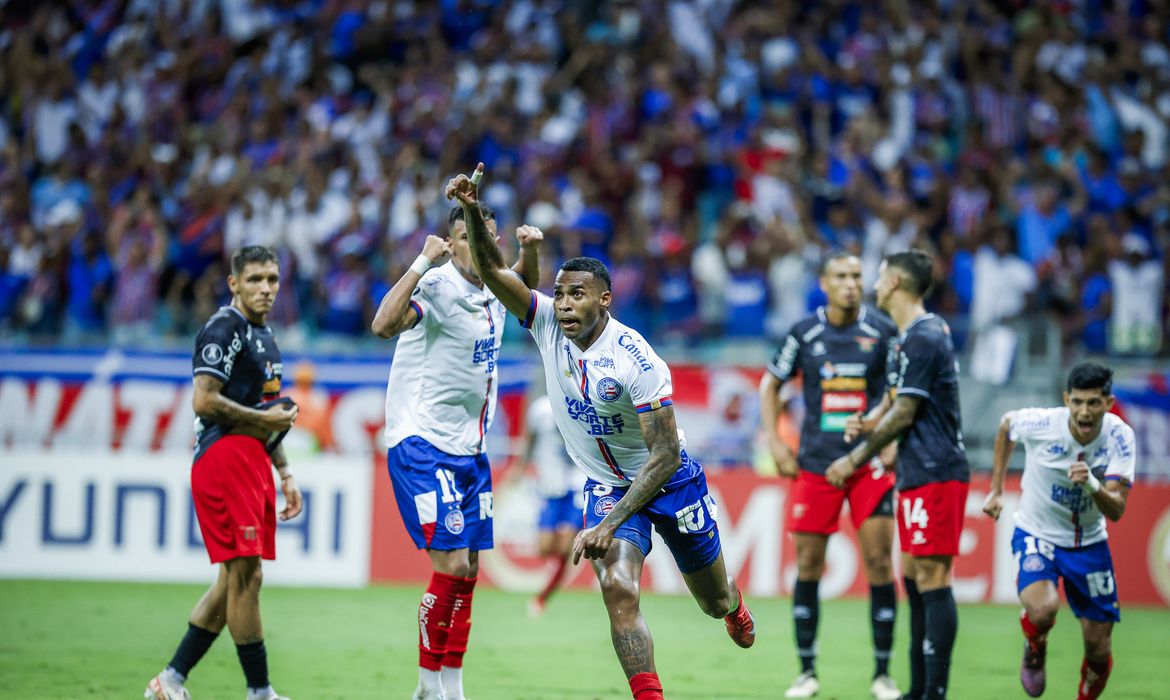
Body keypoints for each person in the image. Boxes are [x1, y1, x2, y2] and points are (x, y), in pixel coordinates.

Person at [449, 162, 756, 700]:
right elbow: (496, 273)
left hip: (670, 481)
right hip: (607, 485)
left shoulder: (637, 359)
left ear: (604, 300)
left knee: (711, 601)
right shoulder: (545, 323)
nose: (564, 305)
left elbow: (661, 456)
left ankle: (732, 604)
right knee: (618, 589)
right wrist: (473, 211)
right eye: (561, 294)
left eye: (578, 296)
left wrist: (608, 522)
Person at [370, 204, 541, 700]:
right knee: (448, 567)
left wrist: (531, 252)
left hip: (472, 449)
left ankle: (452, 686)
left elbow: (524, 295)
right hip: (422, 443)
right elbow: (383, 325)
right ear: (450, 242)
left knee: (467, 571)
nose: (474, 248)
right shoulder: (438, 284)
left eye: (485, 238)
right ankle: (426, 688)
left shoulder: (493, 283)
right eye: (464, 238)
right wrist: (421, 262)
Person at [145, 246, 302, 700]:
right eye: (254, 280)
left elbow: (269, 414)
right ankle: (259, 691)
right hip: (224, 456)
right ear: (233, 284)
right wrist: (263, 420)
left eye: (272, 279)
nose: (265, 288)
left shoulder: (267, 338)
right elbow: (204, 400)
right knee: (246, 577)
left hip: (253, 460)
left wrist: (286, 473)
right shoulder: (224, 327)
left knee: (235, 580)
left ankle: (170, 680)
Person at [759, 251, 902, 700]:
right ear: (824, 282)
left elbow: (900, 391)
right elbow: (770, 385)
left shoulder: (883, 330)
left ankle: (882, 674)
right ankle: (807, 672)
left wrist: (892, 438)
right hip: (817, 464)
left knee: (879, 563)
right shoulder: (805, 332)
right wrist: (777, 443)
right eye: (841, 276)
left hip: (868, 463)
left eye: (857, 276)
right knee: (807, 565)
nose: (851, 284)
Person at [832, 249, 970, 700]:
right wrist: (870, 421)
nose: (872, 284)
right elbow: (894, 400)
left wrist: (854, 458)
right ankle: (919, 688)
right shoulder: (906, 338)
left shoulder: (926, 336)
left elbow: (907, 411)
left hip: (936, 469)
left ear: (893, 282)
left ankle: (935, 691)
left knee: (933, 576)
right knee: (913, 576)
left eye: (877, 276)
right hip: (915, 469)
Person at [982, 362, 1135, 700]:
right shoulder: (1042, 423)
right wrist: (995, 489)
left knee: (1098, 647)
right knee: (1042, 609)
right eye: (1077, 401)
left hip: (1090, 543)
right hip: (1038, 532)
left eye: (1093, 403)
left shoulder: (1120, 437)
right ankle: (1035, 647)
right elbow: (1007, 426)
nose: (1083, 412)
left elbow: (1118, 509)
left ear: (1108, 404)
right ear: (1066, 399)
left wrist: (1093, 484)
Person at [521, 392, 585, 617]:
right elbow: (529, 440)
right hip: (551, 485)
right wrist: (519, 468)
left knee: (567, 545)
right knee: (546, 547)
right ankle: (553, 578)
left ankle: (542, 598)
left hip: (578, 484)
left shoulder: (583, 402)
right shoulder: (539, 408)